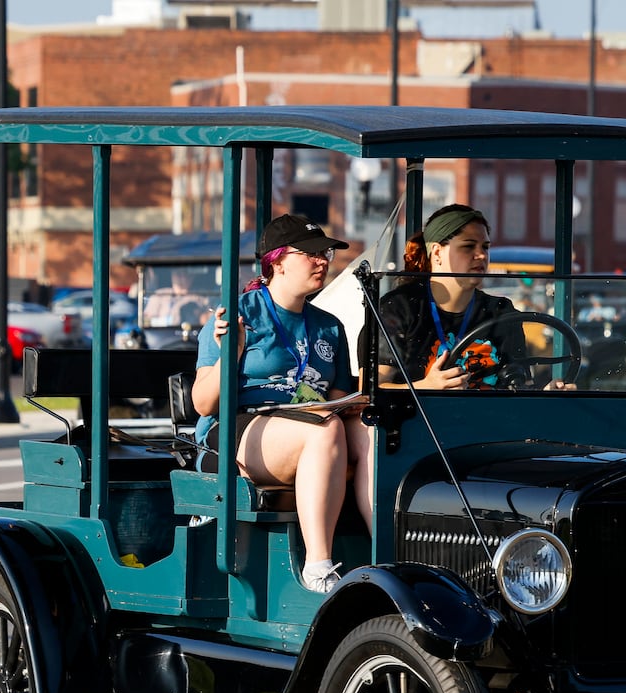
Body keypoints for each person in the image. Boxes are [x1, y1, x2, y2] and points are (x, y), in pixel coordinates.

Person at [191, 214, 371, 594]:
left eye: (325, 253)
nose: (323, 260)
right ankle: (318, 567)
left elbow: (337, 400)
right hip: (235, 430)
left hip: (308, 423)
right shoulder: (239, 314)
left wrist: (356, 404)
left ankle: (382, 552)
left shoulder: (329, 325)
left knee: (371, 430)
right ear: (277, 262)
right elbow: (203, 404)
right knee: (326, 432)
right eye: (311, 253)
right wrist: (233, 351)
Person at [378, 204, 554, 390]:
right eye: (468, 246)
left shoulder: (501, 311)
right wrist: (425, 386)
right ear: (437, 253)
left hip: (489, 417)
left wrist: (548, 393)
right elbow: (371, 390)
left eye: (485, 247)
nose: (481, 255)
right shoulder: (399, 307)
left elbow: (520, 385)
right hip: (419, 417)